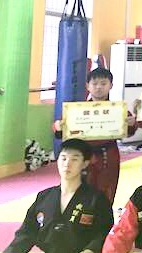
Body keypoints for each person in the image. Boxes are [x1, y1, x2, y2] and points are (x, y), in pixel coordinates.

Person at [0, 139, 113, 253]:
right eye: (63, 158)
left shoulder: (95, 198)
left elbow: (104, 231)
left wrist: (91, 250)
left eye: (74, 159)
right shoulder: (44, 197)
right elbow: (27, 232)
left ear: (85, 164)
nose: (67, 164)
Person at [54, 68, 136, 204]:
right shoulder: (77, 110)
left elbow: (129, 132)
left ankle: (105, 216)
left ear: (111, 85)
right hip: (83, 156)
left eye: (103, 83)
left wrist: (132, 124)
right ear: (88, 86)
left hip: (108, 155)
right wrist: (58, 127)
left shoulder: (118, 109)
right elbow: (61, 133)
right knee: (78, 192)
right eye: (95, 83)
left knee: (107, 192)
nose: (99, 87)